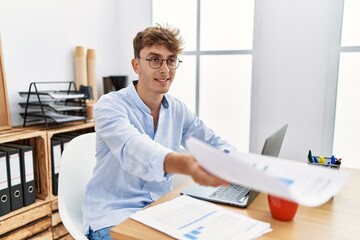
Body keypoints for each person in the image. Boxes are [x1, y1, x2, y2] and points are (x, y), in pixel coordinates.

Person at [82, 24, 236, 240]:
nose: (165, 69)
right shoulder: (109, 105)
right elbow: (134, 147)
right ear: (136, 65)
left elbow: (211, 141)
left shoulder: (177, 109)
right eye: (154, 59)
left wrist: (234, 163)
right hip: (113, 216)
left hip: (160, 211)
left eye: (171, 60)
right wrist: (187, 165)